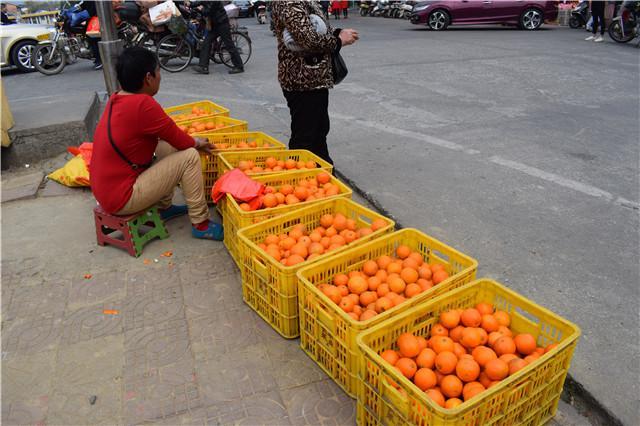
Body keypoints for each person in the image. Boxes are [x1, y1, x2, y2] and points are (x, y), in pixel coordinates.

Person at [90, 47, 223, 240]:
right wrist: (199, 142)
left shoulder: (117, 98)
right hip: (122, 198)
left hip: (108, 191)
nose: (160, 76)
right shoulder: (143, 105)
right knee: (189, 156)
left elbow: (169, 137)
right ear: (148, 78)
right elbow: (180, 139)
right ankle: (200, 223)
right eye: (158, 71)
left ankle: (164, 207)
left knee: (166, 145)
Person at [271, 1, 358, 164]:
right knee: (305, 136)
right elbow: (307, 39)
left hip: (314, 79)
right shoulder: (288, 2)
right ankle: (298, 178)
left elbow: (318, 28)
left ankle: (322, 173)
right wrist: (338, 40)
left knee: (319, 131)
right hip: (301, 80)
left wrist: (338, 32)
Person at [194, 1, 244, 75]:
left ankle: (239, 66)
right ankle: (203, 67)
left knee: (229, 45)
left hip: (222, 24)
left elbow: (208, 11)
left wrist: (201, 9)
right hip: (215, 25)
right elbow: (200, 2)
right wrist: (189, 4)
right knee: (206, 42)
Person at [81, 1, 103, 70]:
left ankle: (99, 60)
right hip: (92, 20)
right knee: (92, 40)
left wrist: (81, 15)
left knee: (94, 39)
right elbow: (82, 7)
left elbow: (91, 11)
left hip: (95, 20)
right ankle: (97, 58)